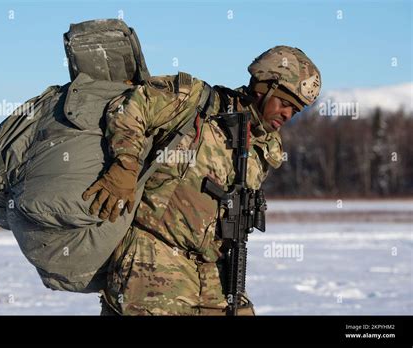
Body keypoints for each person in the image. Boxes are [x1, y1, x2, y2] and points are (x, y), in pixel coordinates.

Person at [82, 45, 321, 315]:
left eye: (296, 110)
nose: (288, 114)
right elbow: (129, 108)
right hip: (151, 262)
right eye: (285, 102)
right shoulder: (196, 102)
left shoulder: (264, 148)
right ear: (263, 87)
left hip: (213, 270)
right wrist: (125, 165)